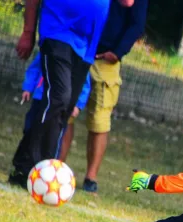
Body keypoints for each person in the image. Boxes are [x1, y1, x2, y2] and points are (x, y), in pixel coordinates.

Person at [8, 0, 112, 188]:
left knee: (65, 107)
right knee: (58, 98)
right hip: (57, 31)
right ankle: (41, 169)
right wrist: (28, 32)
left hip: (87, 44)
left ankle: (23, 167)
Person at [80, 0, 148, 193]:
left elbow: (137, 23)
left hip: (105, 61)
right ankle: (57, 165)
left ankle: (90, 178)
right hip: (78, 49)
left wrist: (118, 52)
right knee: (65, 113)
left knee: (99, 120)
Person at [12, 53, 91, 180]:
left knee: (53, 136)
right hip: (40, 98)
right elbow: (36, 68)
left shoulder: (79, 54)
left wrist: (78, 104)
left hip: (60, 105)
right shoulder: (50, 48)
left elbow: (84, 83)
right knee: (30, 130)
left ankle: (47, 173)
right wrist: (28, 87)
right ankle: (23, 168)